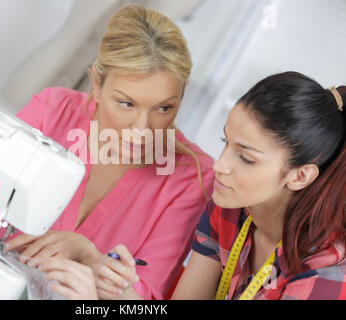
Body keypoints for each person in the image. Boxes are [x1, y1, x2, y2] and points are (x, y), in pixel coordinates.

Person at [0, 5, 214, 300]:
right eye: (126, 104)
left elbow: (145, 302)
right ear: (96, 84)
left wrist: (90, 257)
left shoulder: (192, 178)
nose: (142, 129)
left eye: (164, 108)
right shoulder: (54, 111)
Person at [41, 72, 345, 300]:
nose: (220, 166)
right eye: (226, 143)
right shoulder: (230, 212)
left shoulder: (324, 276)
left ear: (300, 176)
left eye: (246, 158)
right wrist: (117, 292)